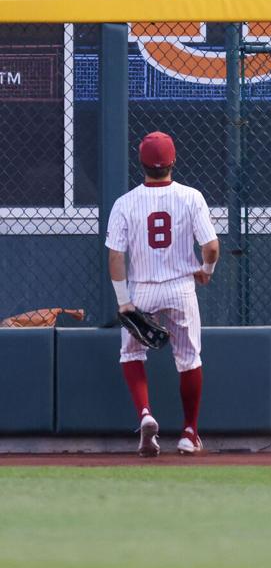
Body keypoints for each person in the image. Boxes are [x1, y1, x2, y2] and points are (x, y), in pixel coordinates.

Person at [105, 132, 219, 457]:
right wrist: (206, 272)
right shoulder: (191, 196)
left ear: (141, 163)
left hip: (142, 291)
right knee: (188, 360)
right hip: (181, 287)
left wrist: (123, 300)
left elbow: (115, 255)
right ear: (173, 161)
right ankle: (189, 433)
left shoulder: (125, 203)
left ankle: (145, 415)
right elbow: (211, 247)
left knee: (131, 355)